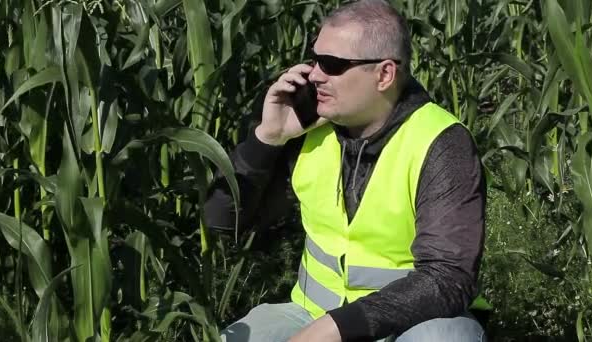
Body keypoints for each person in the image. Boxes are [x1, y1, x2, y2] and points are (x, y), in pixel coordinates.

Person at [204, 0, 488, 341]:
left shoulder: (441, 141)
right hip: (309, 314)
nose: (315, 75)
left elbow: (448, 277)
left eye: (333, 64)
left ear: (384, 74)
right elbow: (222, 221)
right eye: (315, 60)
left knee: (446, 338)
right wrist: (268, 137)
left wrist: (336, 329)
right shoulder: (308, 125)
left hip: (406, 325)